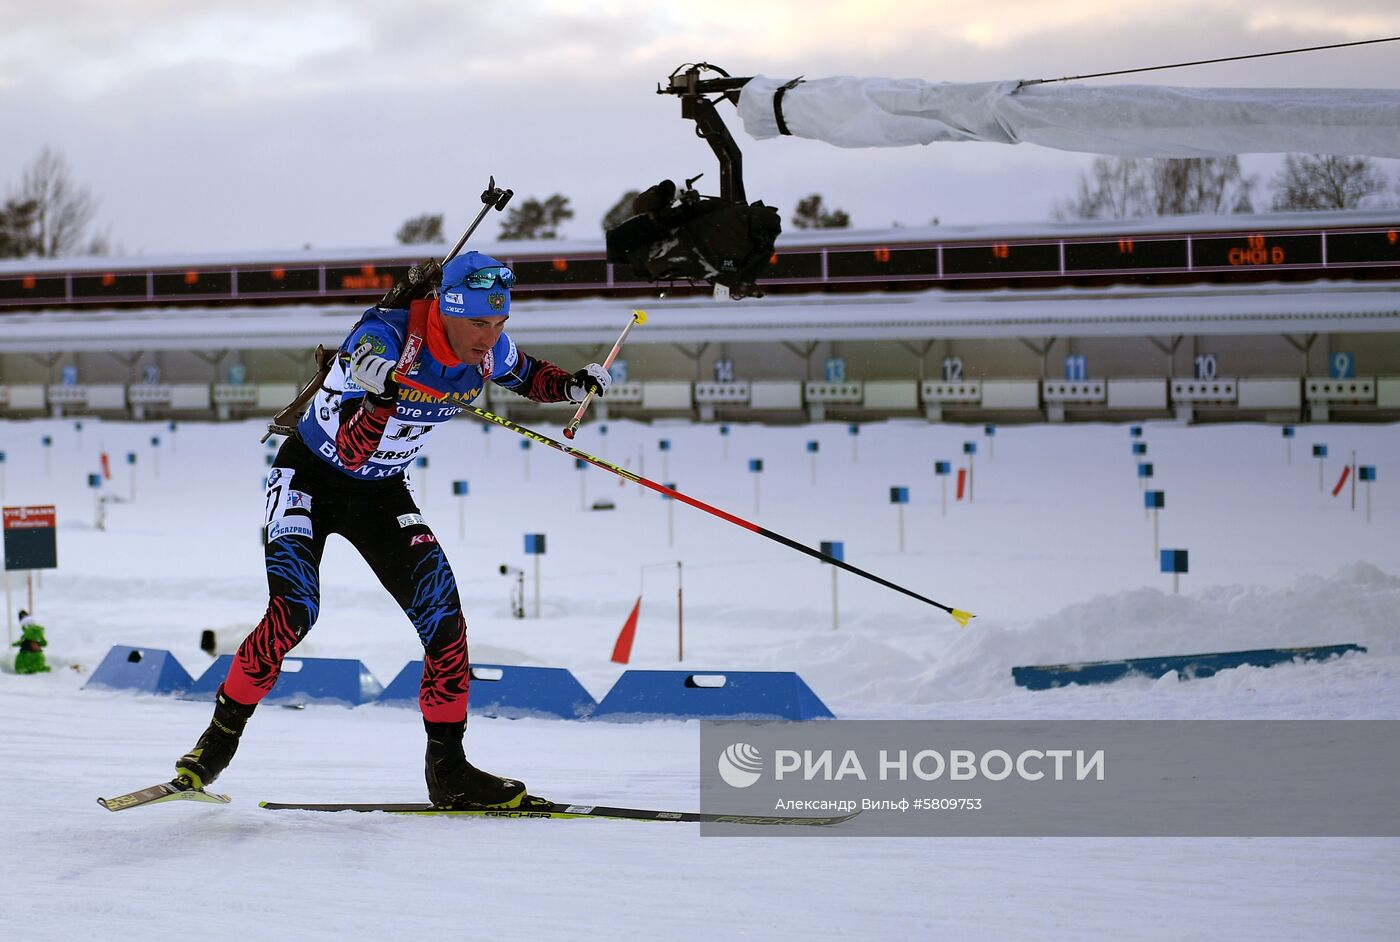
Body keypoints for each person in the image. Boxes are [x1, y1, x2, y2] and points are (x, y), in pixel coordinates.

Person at [175, 252, 610, 808]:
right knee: (294, 612)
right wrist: (382, 398)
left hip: (380, 491)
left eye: (500, 323)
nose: (490, 337)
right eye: (479, 322)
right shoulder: (382, 340)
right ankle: (215, 744)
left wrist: (571, 386)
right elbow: (352, 451)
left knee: (446, 625)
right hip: (310, 476)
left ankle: (449, 771)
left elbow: (525, 374)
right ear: (447, 310)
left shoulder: (488, 348)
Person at [12, 610, 51, 675]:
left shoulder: (33, 637)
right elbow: (43, 643)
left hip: (35, 654)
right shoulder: (25, 638)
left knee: (38, 658)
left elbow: (43, 643)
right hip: (26, 652)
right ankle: (25, 668)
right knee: (25, 659)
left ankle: (37, 667)